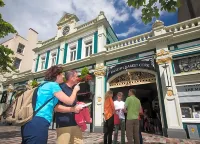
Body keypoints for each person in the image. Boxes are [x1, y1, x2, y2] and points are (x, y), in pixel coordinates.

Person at [21, 66, 81, 144]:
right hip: (39, 121)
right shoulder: (53, 85)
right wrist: (75, 90)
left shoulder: (42, 85)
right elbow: (69, 101)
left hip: (28, 121)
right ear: (57, 76)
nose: (63, 76)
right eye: (61, 74)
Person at [55, 70, 83, 144]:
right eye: (76, 76)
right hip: (64, 124)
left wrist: (79, 105)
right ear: (71, 78)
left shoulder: (73, 89)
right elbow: (57, 107)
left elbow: (72, 104)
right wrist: (73, 109)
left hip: (75, 123)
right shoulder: (60, 88)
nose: (78, 78)